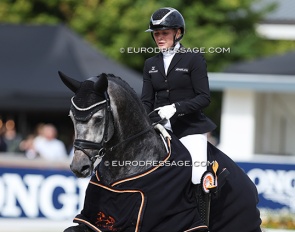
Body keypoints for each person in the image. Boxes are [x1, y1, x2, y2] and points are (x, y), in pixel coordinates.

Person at [141, 7, 216, 185]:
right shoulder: (150, 64)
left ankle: (200, 212)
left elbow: (204, 97)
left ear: (178, 32)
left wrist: (175, 108)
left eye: (164, 33)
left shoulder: (193, 59)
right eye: (156, 33)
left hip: (189, 129)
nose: (159, 38)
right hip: (159, 129)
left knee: (197, 174)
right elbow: (146, 101)